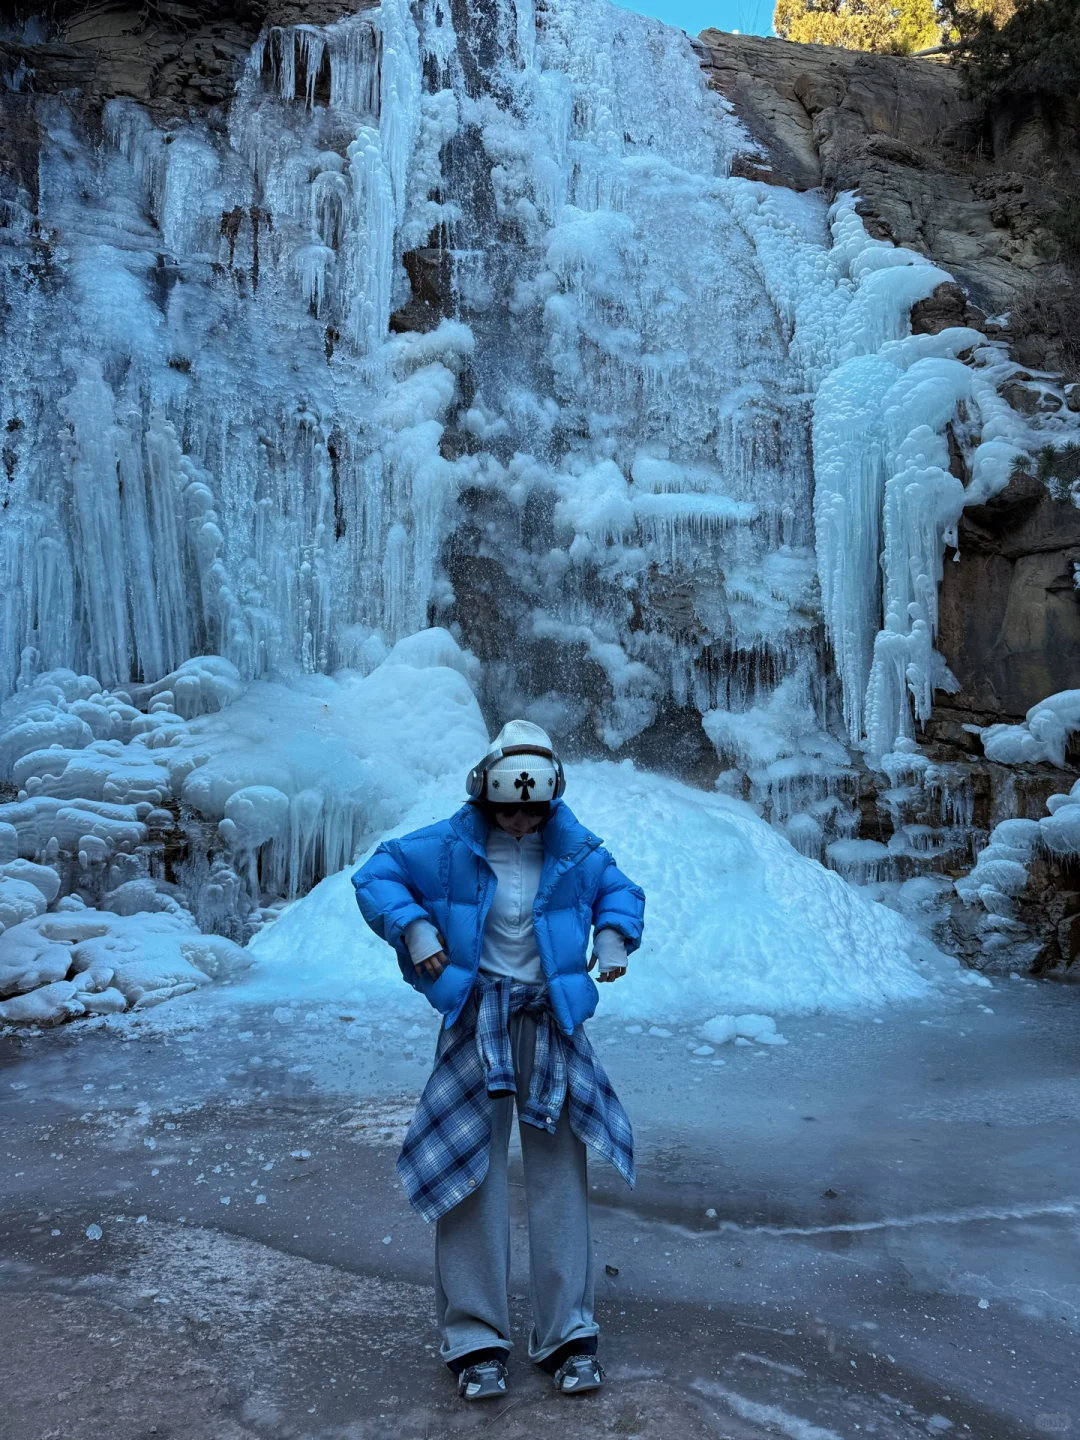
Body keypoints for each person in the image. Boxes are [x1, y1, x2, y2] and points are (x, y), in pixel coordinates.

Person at [352, 720, 645, 1401]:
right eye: (507, 806)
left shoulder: (576, 851)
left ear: (550, 801)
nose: (518, 820)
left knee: (559, 1176)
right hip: (476, 1020)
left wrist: (612, 936)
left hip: (550, 1022)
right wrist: (418, 928)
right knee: (469, 1173)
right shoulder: (448, 846)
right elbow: (378, 876)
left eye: (531, 808)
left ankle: (569, 1332)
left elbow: (622, 893)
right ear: (484, 794)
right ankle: (474, 1336)